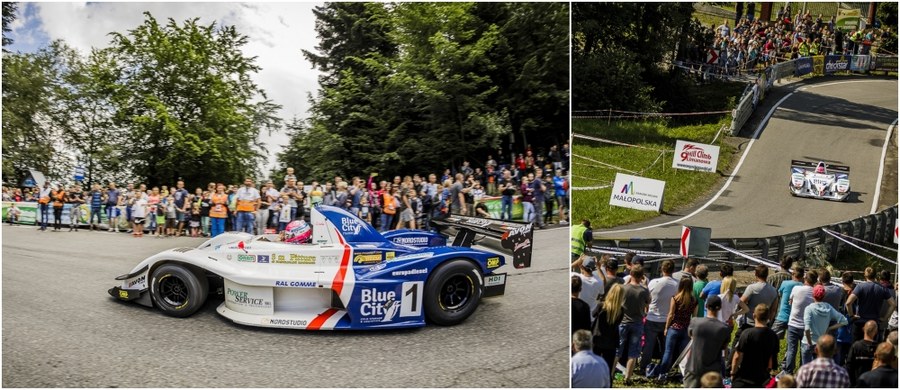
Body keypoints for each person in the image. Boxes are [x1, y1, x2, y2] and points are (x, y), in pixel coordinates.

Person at [649, 276, 697, 381]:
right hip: (686, 329)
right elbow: (694, 317)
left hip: (674, 328)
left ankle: (663, 373)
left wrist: (666, 328)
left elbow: (671, 314)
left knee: (668, 352)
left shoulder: (675, 298)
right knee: (683, 355)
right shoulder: (694, 300)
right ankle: (684, 375)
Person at [683, 295, 731, 388]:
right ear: (720, 308)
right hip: (712, 371)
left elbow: (691, 336)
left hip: (693, 367)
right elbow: (724, 347)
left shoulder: (695, 322)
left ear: (706, 306)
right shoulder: (724, 328)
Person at [641, 259, 679, 376]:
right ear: (673, 270)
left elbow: (648, 299)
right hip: (667, 319)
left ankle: (644, 368)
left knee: (648, 346)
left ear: (662, 269)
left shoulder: (653, 282)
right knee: (665, 347)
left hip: (652, 317)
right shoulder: (677, 284)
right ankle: (663, 368)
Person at [731, 304, 780, 388]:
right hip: (761, 379)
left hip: (744, 377)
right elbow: (771, 361)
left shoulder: (747, 333)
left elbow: (737, 356)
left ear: (754, 315)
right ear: (768, 317)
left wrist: (733, 373)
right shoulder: (774, 336)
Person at [782, 270, 818, 376]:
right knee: (805, 351)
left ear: (805, 278)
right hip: (807, 326)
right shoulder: (815, 292)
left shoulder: (796, 288)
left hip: (793, 323)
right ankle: (802, 373)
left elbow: (790, 301)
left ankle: (788, 372)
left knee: (791, 349)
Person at [846, 267, 895, 342]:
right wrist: (885, 318)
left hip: (860, 322)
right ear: (876, 275)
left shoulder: (860, 286)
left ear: (865, 275)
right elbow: (893, 304)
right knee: (872, 350)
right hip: (874, 324)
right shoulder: (882, 288)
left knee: (856, 348)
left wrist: (851, 316)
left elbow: (848, 303)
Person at [619, 264, 650, 383]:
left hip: (623, 321)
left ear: (630, 274)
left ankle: (611, 373)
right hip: (637, 323)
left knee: (618, 350)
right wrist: (645, 285)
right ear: (642, 276)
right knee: (633, 352)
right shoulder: (644, 290)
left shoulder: (624, 288)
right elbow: (648, 302)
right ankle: (628, 377)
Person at [802, 285, 847, 366]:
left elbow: (807, 328)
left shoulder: (809, 309)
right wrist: (830, 328)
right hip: (820, 343)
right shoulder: (828, 307)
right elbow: (844, 321)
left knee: (806, 369)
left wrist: (810, 343)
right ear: (824, 296)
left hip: (807, 343)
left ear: (813, 295)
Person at [593, 283, 625, 373]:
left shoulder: (601, 305)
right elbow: (618, 323)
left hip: (598, 338)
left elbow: (593, 314)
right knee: (608, 366)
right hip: (611, 341)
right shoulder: (621, 310)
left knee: (594, 364)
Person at [773, 265, 805, 339]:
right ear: (803, 276)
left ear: (793, 274)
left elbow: (779, 294)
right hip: (796, 320)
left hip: (782, 316)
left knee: (771, 338)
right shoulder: (803, 287)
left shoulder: (785, 283)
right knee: (791, 343)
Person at [845, 320, 878, 386]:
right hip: (873, 384)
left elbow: (849, 365)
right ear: (876, 332)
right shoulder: (879, 348)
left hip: (857, 382)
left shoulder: (856, 346)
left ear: (863, 329)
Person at [571, 256, 604, 320]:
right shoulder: (599, 282)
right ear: (593, 268)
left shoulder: (577, 278)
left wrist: (578, 260)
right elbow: (603, 280)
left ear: (582, 267)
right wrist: (598, 268)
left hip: (577, 315)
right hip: (591, 318)